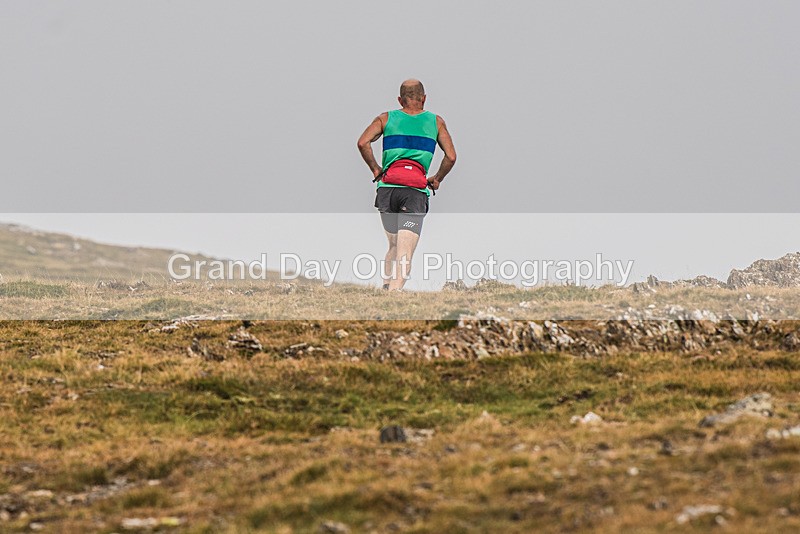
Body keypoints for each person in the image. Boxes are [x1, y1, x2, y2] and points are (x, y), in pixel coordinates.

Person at [357, 79, 457, 290]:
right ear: (424, 99)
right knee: (406, 251)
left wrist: (376, 169)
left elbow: (363, 142)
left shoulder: (386, 118)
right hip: (414, 191)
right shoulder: (436, 122)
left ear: (400, 100)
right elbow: (451, 156)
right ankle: (393, 295)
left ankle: (386, 287)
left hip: (388, 190)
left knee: (393, 244)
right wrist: (437, 178)